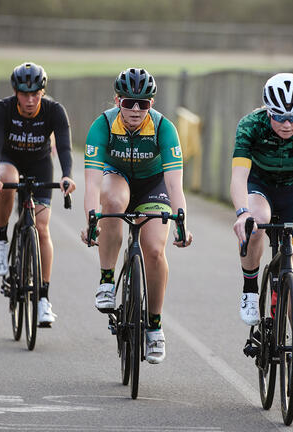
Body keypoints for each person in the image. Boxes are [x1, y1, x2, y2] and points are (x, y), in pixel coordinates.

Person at [82, 67, 193, 365]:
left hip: (153, 185)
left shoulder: (163, 128)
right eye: (128, 102)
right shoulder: (102, 126)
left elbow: (174, 182)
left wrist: (181, 219)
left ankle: (155, 327)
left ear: (151, 104)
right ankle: (107, 280)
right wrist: (92, 219)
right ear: (117, 101)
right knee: (114, 200)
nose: (134, 109)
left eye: (142, 103)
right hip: (116, 177)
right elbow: (92, 181)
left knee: (155, 250)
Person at [231, 72, 293, 396]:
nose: (287, 124)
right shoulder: (251, 125)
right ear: (266, 110)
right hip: (260, 187)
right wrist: (242, 213)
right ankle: (249, 287)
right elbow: (239, 176)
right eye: (279, 117)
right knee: (258, 220)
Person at [0, 62, 76, 327]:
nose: (30, 99)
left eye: (36, 93)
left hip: (40, 163)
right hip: (8, 160)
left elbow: (66, 148)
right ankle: (1, 240)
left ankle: (43, 299)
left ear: (43, 91)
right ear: (15, 92)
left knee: (43, 228)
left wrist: (67, 175)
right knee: (8, 180)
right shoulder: (1, 109)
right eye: (24, 94)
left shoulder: (54, 111)